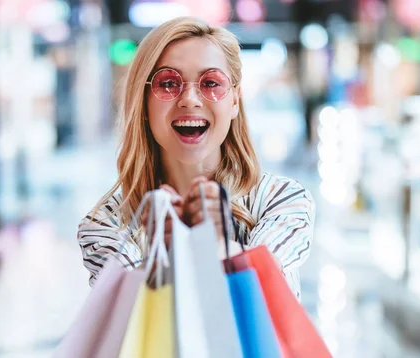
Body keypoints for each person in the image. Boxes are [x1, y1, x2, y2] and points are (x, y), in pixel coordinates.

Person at [77, 17, 315, 300]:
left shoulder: (282, 201)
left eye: (211, 82)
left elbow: (267, 285)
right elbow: (130, 317)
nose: (190, 99)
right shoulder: (107, 224)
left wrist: (218, 248)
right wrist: (160, 264)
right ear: (143, 103)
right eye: (168, 83)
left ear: (235, 101)